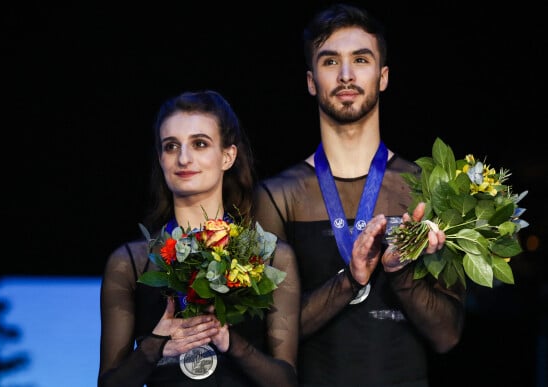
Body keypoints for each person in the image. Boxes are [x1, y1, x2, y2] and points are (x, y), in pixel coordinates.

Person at [253, 4, 466, 387]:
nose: (347, 75)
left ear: (383, 76)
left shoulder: (426, 186)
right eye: (330, 61)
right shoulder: (279, 195)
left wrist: (400, 273)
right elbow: (272, 337)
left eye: (361, 60)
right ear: (310, 80)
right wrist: (350, 280)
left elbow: (448, 336)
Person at [98, 90, 300, 387]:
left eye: (200, 144)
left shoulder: (269, 257)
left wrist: (231, 342)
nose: (183, 158)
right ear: (160, 159)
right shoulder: (131, 262)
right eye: (170, 146)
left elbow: (286, 381)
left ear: (228, 156)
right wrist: (156, 348)